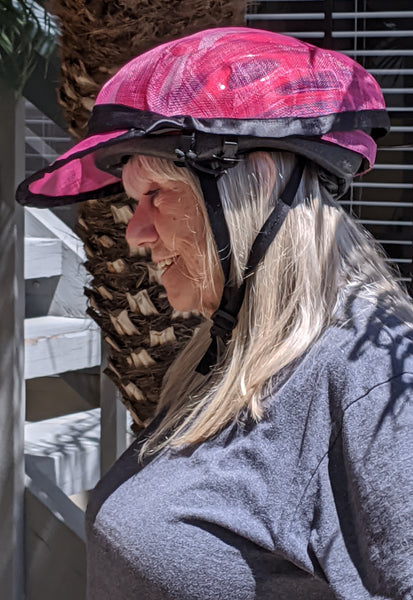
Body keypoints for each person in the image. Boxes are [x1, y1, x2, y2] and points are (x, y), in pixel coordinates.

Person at [17, 27, 413, 600]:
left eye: (157, 194)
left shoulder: (371, 378)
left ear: (250, 191)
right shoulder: (229, 351)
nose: (135, 232)